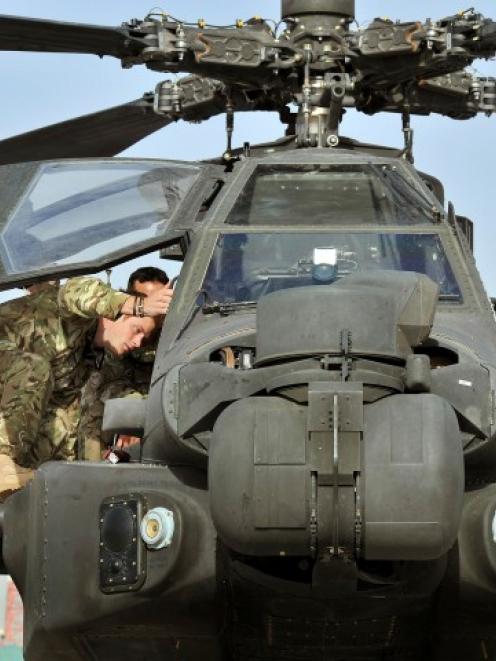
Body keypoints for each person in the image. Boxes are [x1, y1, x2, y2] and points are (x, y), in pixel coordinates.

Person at [0, 276, 172, 495]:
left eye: (144, 340)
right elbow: (77, 291)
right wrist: (139, 305)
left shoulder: (88, 359)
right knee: (34, 369)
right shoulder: (80, 317)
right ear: (119, 316)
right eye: (137, 330)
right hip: (11, 356)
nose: (138, 342)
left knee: (65, 418)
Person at [78, 267, 172, 461]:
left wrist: (136, 418)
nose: (155, 308)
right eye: (146, 299)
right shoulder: (115, 329)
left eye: (161, 299)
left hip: (150, 407)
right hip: (112, 403)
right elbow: (110, 382)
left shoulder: (170, 337)